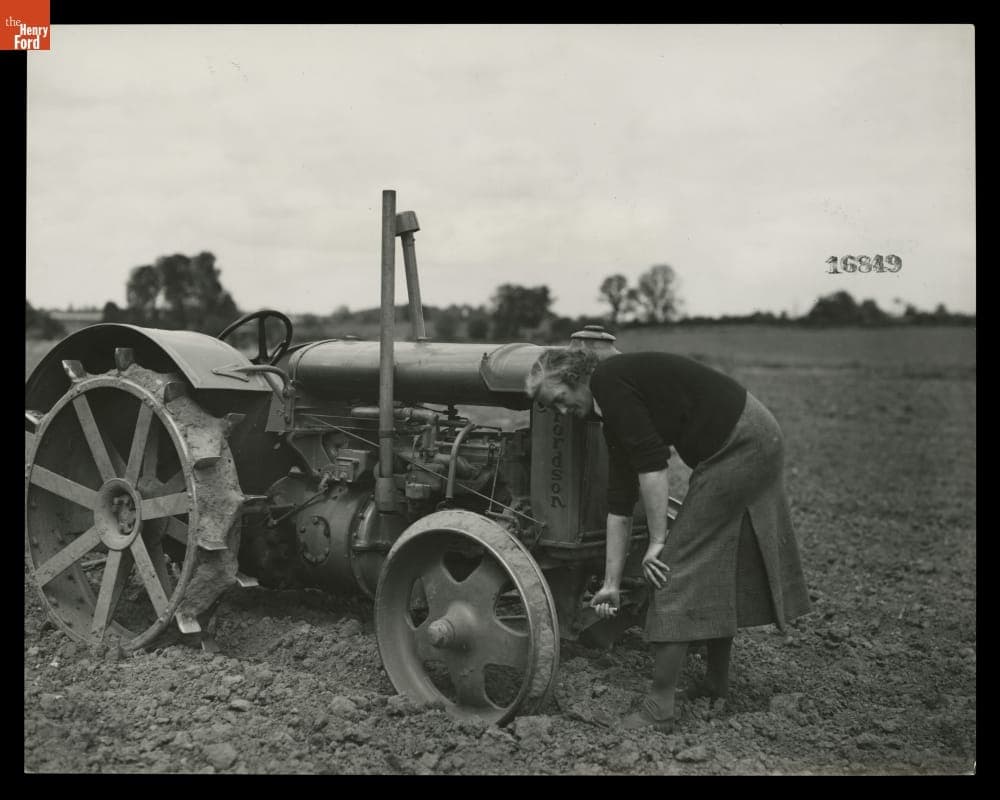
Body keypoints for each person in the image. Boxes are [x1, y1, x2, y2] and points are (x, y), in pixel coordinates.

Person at [525, 348, 811, 732]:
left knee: (670, 572)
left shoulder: (608, 382)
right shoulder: (611, 412)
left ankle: (659, 707)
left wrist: (658, 542)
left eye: (559, 400)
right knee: (712, 564)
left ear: (575, 380)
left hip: (741, 445)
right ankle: (714, 682)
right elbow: (620, 502)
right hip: (753, 435)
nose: (561, 412)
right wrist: (610, 584)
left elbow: (652, 466)